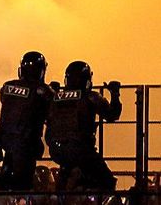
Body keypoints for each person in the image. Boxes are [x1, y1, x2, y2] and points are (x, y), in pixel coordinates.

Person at [44, 61, 122, 191]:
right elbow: (112, 115)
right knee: (108, 181)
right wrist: (115, 93)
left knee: (64, 185)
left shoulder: (54, 97)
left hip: (56, 151)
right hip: (82, 151)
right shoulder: (90, 96)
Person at [0, 52, 54, 190]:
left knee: (9, 181)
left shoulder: (7, 87)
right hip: (25, 143)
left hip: (5, 140)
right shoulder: (42, 91)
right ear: (41, 71)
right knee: (23, 183)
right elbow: (53, 109)